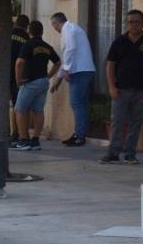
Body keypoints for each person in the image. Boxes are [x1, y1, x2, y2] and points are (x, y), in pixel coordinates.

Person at [99, 9, 143, 165]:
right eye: (130, 22)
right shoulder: (119, 42)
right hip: (121, 91)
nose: (133, 25)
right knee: (117, 122)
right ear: (126, 24)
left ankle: (130, 154)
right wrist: (112, 87)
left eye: (137, 22)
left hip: (141, 92)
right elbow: (110, 65)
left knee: (136, 123)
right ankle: (113, 153)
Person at [12, 20, 60, 151]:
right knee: (38, 111)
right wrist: (48, 76)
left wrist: (18, 79)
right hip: (43, 82)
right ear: (42, 32)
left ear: (29, 31)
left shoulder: (28, 45)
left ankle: (23, 140)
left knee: (19, 110)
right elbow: (58, 62)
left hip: (29, 82)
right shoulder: (47, 46)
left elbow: (19, 63)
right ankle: (35, 140)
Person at [49, 11, 95, 146]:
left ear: (58, 22)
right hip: (83, 70)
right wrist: (59, 79)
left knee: (77, 103)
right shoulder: (72, 29)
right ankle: (79, 133)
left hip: (80, 71)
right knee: (81, 104)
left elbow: (70, 50)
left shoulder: (68, 29)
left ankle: (79, 136)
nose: (54, 28)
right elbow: (67, 56)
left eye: (53, 24)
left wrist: (66, 70)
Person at [9, 14, 30, 142]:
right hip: (20, 75)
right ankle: (21, 132)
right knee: (20, 106)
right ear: (26, 26)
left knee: (13, 105)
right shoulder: (27, 38)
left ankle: (14, 132)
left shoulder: (8, 34)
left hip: (6, 74)